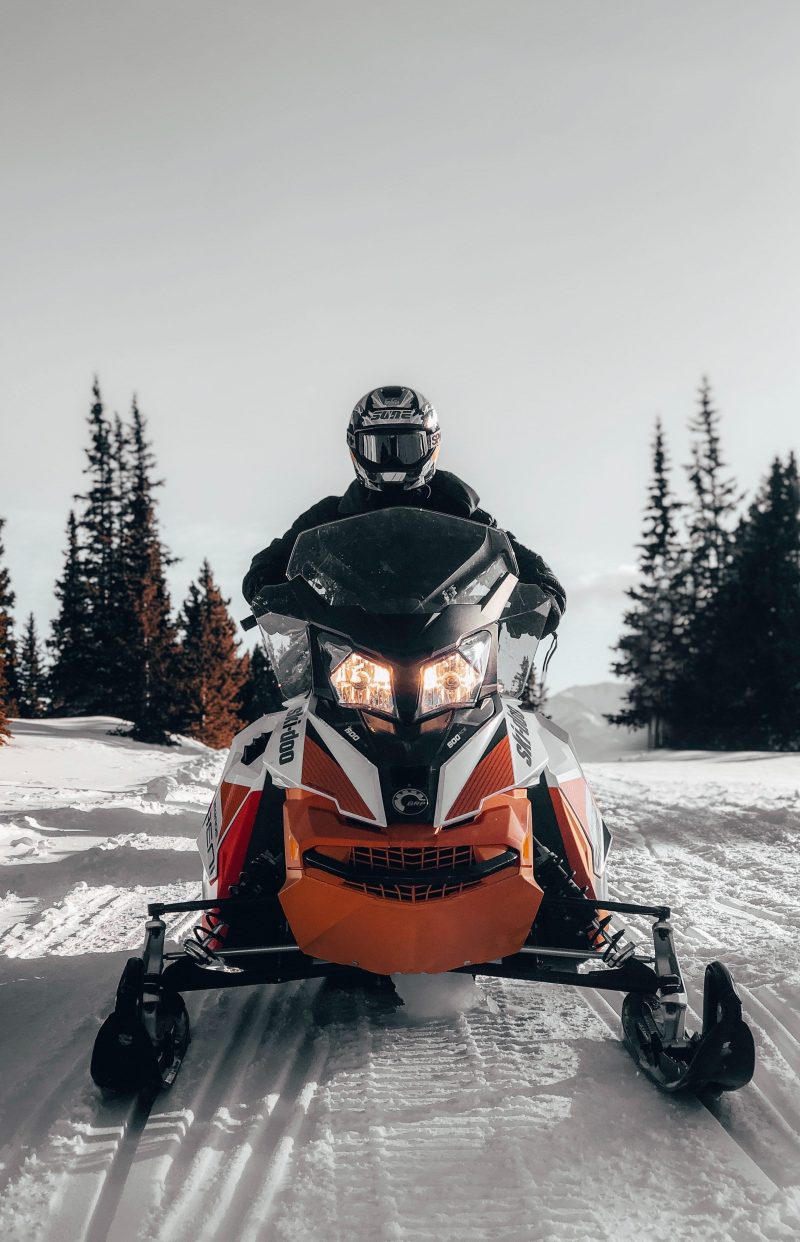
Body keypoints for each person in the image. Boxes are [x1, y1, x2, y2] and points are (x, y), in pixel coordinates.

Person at [242, 385, 566, 633]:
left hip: (451, 650)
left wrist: (538, 597)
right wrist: (275, 595)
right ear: (356, 449)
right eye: (378, 448)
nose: (392, 461)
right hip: (347, 653)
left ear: (431, 446)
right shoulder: (330, 516)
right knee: (286, 716)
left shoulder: (460, 512)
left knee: (511, 715)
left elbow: (514, 555)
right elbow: (267, 565)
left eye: (407, 448)